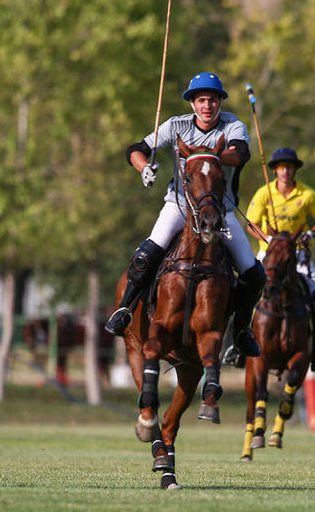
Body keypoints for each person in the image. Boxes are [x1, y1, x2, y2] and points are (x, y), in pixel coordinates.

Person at [104, 72, 265, 359]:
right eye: (201, 100)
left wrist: (205, 157)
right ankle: (125, 310)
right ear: (192, 103)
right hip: (179, 206)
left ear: (220, 102)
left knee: (254, 273)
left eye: (213, 100)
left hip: (220, 211)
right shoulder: (175, 125)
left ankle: (242, 331)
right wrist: (144, 168)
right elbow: (137, 149)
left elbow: (241, 154)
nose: (207, 106)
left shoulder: (233, 125)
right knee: (145, 257)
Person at [241, 147, 315, 371]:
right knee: (246, 291)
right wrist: (267, 239)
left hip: (298, 255)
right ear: (275, 170)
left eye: (290, 167)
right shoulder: (264, 193)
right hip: (270, 253)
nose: (286, 171)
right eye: (281, 167)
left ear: (295, 170)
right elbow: (251, 223)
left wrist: (311, 233)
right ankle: (240, 344)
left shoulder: (307, 195)